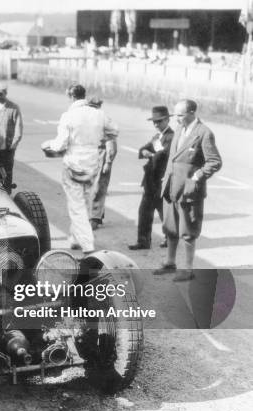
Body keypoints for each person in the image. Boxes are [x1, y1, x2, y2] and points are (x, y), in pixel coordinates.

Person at [42, 84, 118, 255]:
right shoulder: (99, 114)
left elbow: (60, 144)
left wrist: (49, 146)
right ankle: (75, 238)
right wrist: (98, 138)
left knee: (76, 203)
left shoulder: (68, 116)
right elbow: (114, 131)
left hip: (74, 163)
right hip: (92, 161)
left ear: (71, 96)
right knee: (84, 200)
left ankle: (87, 244)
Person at [153, 99, 222, 281]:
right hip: (171, 187)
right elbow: (172, 158)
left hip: (189, 190)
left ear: (192, 112)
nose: (177, 119)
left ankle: (188, 269)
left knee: (188, 230)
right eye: (175, 115)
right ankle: (170, 262)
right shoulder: (179, 129)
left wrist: (197, 176)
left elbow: (214, 161)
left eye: (180, 115)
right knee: (170, 227)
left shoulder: (204, 133)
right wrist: (166, 177)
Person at [128, 106, 174, 250]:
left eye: (159, 121)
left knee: (164, 213)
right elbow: (143, 149)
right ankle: (143, 241)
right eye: (154, 122)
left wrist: (152, 154)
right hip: (150, 180)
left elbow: (164, 156)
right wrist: (147, 152)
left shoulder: (171, 137)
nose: (156, 124)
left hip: (162, 181)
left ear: (167, 120)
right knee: (145, 211)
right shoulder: (157, 136)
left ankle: (170, 238)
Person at [87, 96, 118, 230]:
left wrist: (108, 162)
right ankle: (98, 214)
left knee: (98, 188)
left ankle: (94, 218)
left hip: (101, 156)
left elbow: (111, 143)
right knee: (91, 188)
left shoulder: (104, 120)